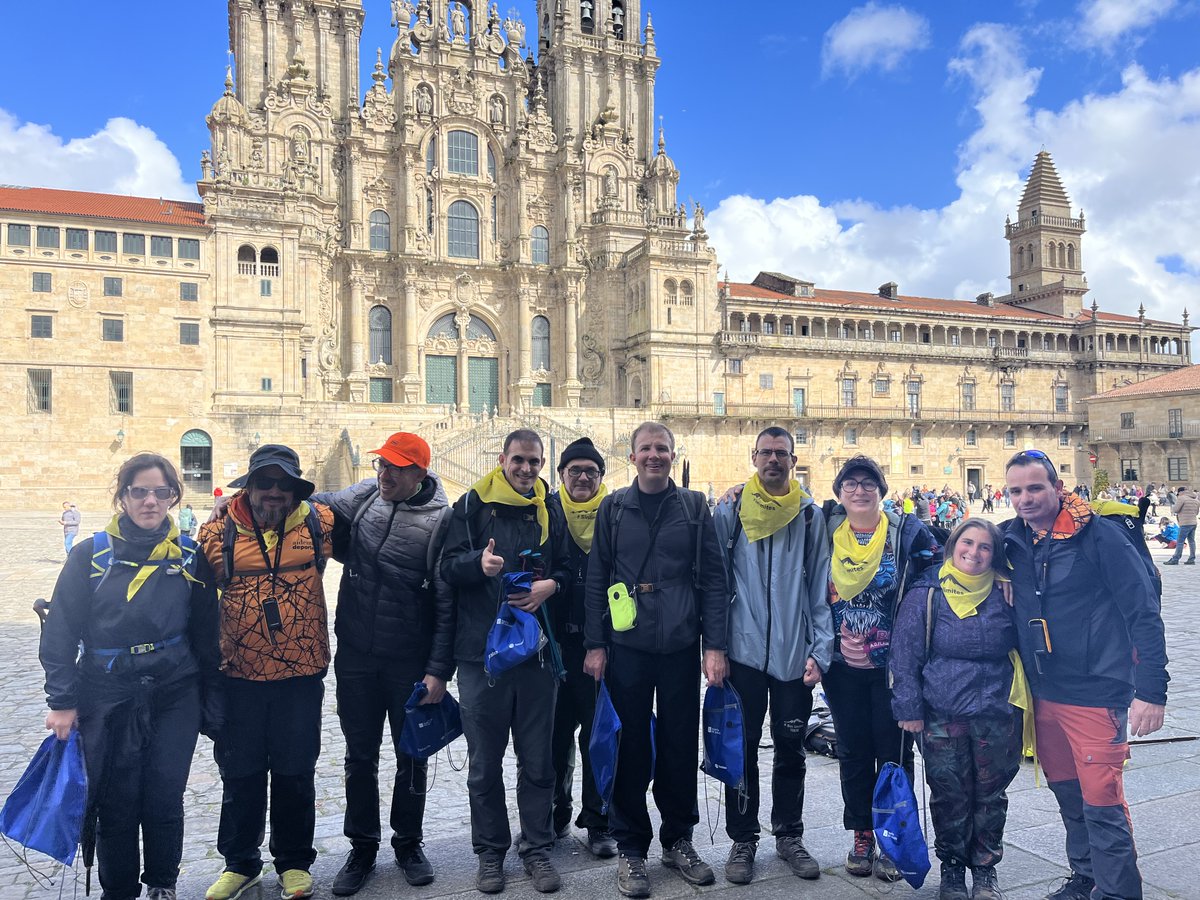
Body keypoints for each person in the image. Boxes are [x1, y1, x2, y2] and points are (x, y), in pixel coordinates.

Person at [40, 453, 220, 900]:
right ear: (122, 496)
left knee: (163, 792)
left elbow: (206, 634)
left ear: (174, 497)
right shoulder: (90, 556)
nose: (150, 501)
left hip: (174, 690)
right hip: (107, 691)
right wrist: (62, 702)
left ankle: (162, 883)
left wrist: (213, 702)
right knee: (115, 799)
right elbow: (60, 631)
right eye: (139, 491)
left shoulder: (190, 557)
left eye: (161, 492)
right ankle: (118, 890)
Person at [1002, 449, 1168, 900]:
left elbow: (1143, 612)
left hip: (1096, 689)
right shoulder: (1011, 540)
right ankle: (1086, 877)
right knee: (1068, 792)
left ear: (1058, 488)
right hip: (1043, 691)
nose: (1025, 499)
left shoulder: (1101, 536)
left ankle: (1118, 892)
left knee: (1102, 798)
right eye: (1016, 491)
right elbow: (959, 555)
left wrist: (1152, 690)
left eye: (1035, 487)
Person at [583, 422, 728, 899]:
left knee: (679, 743)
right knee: (630, 748)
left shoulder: (692, 506)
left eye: (662, 448)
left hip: (682, 643)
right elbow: (596, 575)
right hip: (628, 645)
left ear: (672, 454)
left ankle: (678, 837)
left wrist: (714, 645)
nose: (654, 456)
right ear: (632, 455)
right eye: (645, 448)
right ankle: (631, 845)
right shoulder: (613, 507)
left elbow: (711, 578)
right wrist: (595, 643)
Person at [316, 433, 455, 897]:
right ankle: (362, 846)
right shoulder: (368, 493)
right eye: (381, 466)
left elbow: (444, 600)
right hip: (356, 651)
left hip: (408, 659)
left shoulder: (441, 519)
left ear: (420, 472)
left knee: (412, 756)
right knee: (359, 757)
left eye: (396, 468)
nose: (385, 474)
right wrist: (236, 505)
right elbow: (320, 504)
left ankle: (409, 843)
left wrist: (438, 671)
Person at [198, 445, 334, 900]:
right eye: (265, 483)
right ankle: (240, 863)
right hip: (239, 675)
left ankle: (294, 862)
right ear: (249, 487)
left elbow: (375, 494)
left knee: (296, 771)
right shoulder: (215, 533)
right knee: (241, 774)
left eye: (284, 485)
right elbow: (191, 605)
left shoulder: (321, 523)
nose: (274, 493)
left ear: (296, 490)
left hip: (301, 675)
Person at [440, 429, 571, 894]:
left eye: (534, 462)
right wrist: (478, 564)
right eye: (518, 460)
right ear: (502, 459)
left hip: (535, 655)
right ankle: (490, 853)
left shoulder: (548, 507)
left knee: (538, 762)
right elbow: (445, 568)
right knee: (484, 765)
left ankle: (536, 848)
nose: (526, 469)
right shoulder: (473, 505)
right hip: (482, 656)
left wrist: (550, 586)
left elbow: (567, 567)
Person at [712, 427, 832, 885]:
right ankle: (743, 838)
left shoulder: (808, 517)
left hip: (791, 653)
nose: (774, 461)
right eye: (766, 453)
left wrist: (820, 651)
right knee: (739, 751)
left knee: (791, 749)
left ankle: (789, 834)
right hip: (741, 653)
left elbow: (820, 586)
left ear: (793, 460)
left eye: (782, 454)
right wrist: (716, 647)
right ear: (754, 456)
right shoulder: (731, 509)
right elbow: (716, 581)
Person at [891, 519, 1023, 900]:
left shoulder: (1007, 592)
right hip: (941, 713)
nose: (975, 553)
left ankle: (984, 868)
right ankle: (952, 868)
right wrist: (908, 708)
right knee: (949, 793)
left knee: (991, 794)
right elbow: (904, 656)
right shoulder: (927, 593)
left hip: (997, 710)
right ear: (952, 546)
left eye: (985, 547)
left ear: (995, 554)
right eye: (968, 543)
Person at [822, 455, 939, 882]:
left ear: (881, 490)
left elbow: (940, 569)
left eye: (868, 482)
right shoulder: (826, 532)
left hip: (893, 666)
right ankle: (862, 834)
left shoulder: (905, 533)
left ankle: (893, 836)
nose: (859, 489)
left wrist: (998, 572)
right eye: (850, 483)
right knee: (852, 751)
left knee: (893, 755)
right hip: (840, 665)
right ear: (839, 493)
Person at [547, 438, 618, 858]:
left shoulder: (613, 513)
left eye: (591, 470)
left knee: (597, 738)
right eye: (574, 470)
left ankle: (599, 821)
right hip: (554, 645)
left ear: (600, 477)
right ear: (561, 475)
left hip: (598, 648)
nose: (582, 477)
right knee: (553, 738)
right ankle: (556, 814)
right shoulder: (548, 511)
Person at [1165, 486, 1198, 564]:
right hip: (1193, 522)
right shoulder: (1195, 500)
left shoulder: (1181, 498)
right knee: (1192, 541)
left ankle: (1175, 559)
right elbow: (1196, 513)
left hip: (1185, 523)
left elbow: (1175, 510)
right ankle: (1191, 559)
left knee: (1180, 541)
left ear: (1179, 492)